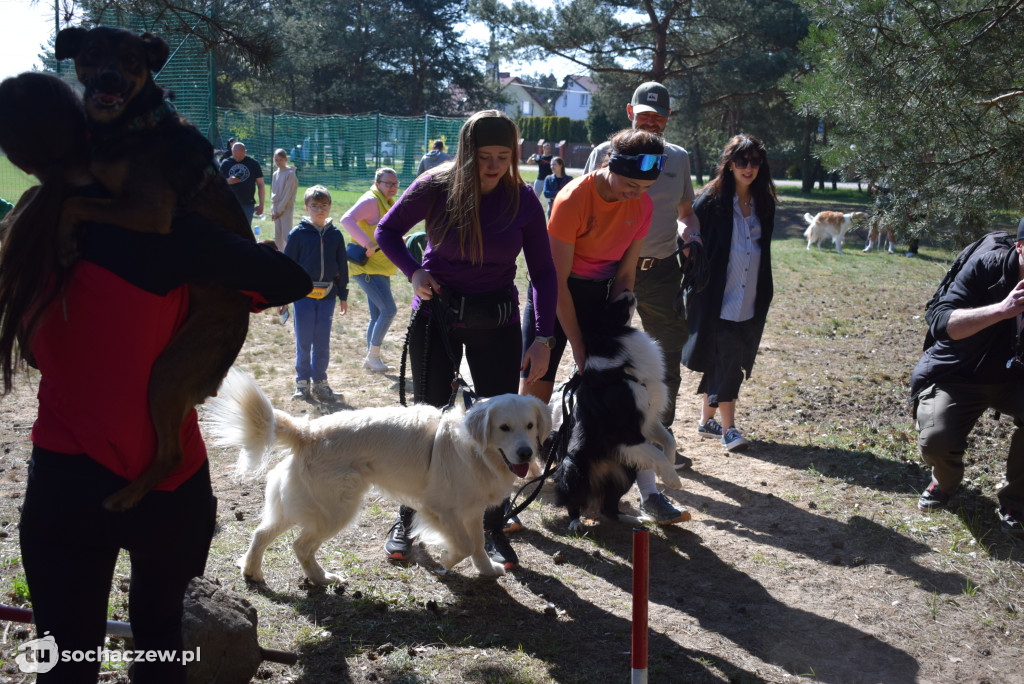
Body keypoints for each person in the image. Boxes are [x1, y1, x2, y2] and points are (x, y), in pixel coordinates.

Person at [0, 72, 312, 684]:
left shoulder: (25, 234)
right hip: (168, 485)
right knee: (160, 648)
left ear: (15, 156)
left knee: (62, 662)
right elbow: (291, 283)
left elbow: (41, 354)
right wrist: (227, 281)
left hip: (65, 482)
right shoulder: (166, 232)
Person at [376, 110, 557, 570]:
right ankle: (409, 518)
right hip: (437, 315)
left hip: (496, 320)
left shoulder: (523, 199)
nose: (494, 166)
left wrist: (543, 336)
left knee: (503, 426)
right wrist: (414, 271)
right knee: (428, 422)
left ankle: (492, 528)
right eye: (484, 157)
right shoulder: (436, 186)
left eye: (503, 157)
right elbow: (387, 231)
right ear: (465, 154)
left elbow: (543, 273)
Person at [521, 127, 688, 526]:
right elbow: (556, 282)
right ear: (609, 165)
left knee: (626, 395)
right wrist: (579, 347)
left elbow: (626, 273)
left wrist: (620, 311)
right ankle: (517, 481)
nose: (636, 193)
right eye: (630, 184)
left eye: (644, 187)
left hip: (602, 294)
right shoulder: (573, 198)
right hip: (555, 290)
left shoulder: (641, 204)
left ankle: (650, 495)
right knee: (535, 388)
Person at [583, 82, 699, 445]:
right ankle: (598, 433)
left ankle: (660, 435)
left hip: (661, 270)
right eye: (644, 116)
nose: (650, 123)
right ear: (630, 113)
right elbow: (585, 204)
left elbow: (686, 214)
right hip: (610, 271)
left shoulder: (678, 158)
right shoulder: (604, 152)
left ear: (668, 119)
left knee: (666, 352)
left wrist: (691, 235)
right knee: (602, 351)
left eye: (658, 118)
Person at [910, 218, 1024, 538]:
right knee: (936, 439)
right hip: (960, 373)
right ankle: (945, 482)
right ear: (1019, 248)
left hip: (1015, 378)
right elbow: (941, 321)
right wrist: (1002, 309)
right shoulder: (985, 266)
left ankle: (1016, 502)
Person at [680, 134, 777, 453]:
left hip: (749, 294)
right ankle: (728, 428)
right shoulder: (710, 201)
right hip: (715, 296)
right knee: (730, 359)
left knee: (721, 357)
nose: (748, 168)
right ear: (730, 164)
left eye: (754, 162)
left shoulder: (764, 202)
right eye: (741, 161)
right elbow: (688, 235)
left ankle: (706, 420)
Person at [284, 185, 349, 401]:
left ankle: (321, 382)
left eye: (324, 206)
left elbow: (341, 266)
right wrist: (283, 296)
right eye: (314, 206)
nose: (319, 210)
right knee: (304, 340)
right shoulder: (298, 234)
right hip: (303, 297)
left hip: (328, 296)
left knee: (322, 341)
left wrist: (343, 296)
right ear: (306, 207)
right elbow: (287, 266)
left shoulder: (336, 235)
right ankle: (302, 384)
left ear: (330, 207)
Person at [340, 167, 401, 373]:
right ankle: (372, 357)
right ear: (377, 183)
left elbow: (383, 232)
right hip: (367, 268)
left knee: (376, 315)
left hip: (380, 267)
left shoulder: (386, 202)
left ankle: (371, 359)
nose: (393, 187)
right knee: (389, 310)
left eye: (395, 183)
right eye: (388, 183)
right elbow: (346, 220)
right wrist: (366, 243)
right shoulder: (371, 200)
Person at [220, 141, 265, 227]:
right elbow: (217, 183)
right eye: (235, 154)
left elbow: (261, 184)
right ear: (232, 152)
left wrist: (261, 204)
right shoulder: (226, 163)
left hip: (247, 204)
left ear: (245, 152)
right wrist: (228, 181)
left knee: (245, 231)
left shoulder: (253, 163)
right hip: (229, 204)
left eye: (240, 154)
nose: (237, 157)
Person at [270, 148, 298, 250]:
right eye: (276, 160)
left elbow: (288, 194)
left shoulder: (290, 174)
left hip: (286, 208)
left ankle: (289, 256)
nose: (278, 162)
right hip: (276, 209)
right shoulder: (275, 174)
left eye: (280, 160)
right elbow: (273, 194)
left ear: (286, 159)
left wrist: (280, 210)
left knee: (286, 235)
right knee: (277, 236)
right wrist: (274, 210)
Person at [528, 141, 554, 210]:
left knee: (550, 200)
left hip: (549, 181)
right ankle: (532, 211)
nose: (548, 150)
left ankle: (550, 213)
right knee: (535, 198)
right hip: (539, 180)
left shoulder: (552, 158)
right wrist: (532, 156)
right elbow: (529, 162)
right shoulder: (539, 158)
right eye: (547, 148)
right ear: (543, 149)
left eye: (549, 148)